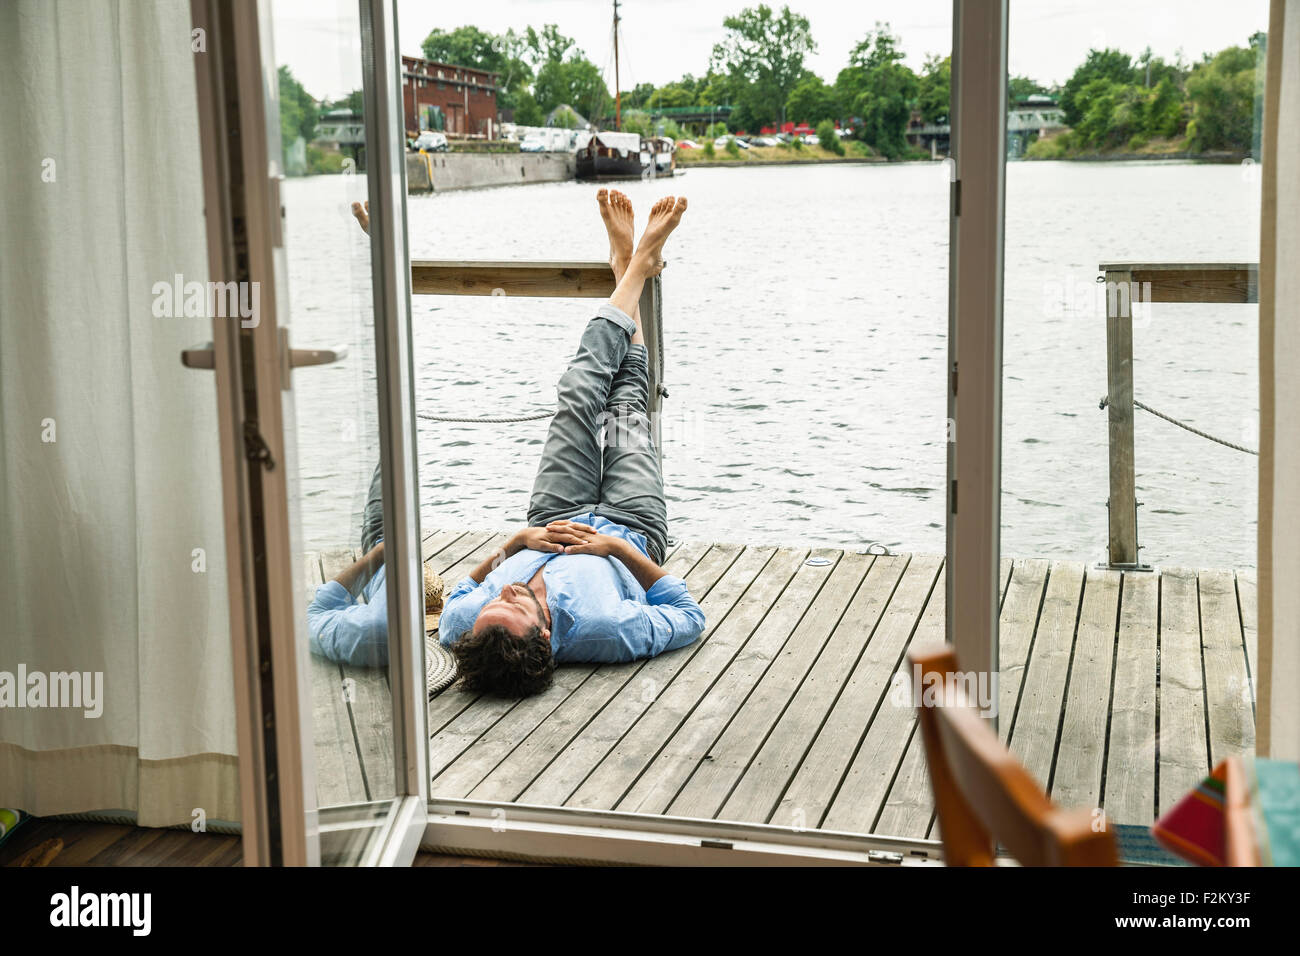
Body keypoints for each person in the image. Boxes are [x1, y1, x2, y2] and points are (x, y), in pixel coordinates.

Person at [437, 190, 702, 697]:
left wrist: (517, 543)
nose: (506, 591)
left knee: (579, 392)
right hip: (631, 523)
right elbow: (688, 616)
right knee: (626, 404)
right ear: (544, 635)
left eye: (495, 601)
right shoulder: (604, 630)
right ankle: (632, 266)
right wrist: (616, 549)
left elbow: (463, 593)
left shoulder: (465, 626)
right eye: (515, 603)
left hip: (553, 512)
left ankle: (632, 267)